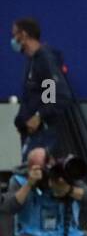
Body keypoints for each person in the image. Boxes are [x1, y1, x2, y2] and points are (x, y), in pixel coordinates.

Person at [2, 146, 87, 236]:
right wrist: (29, 184)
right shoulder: (20, 179)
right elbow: (8, 207)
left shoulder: (65, 173)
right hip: (35, 235)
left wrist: (68, 190)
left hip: (66, 235)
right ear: (30, 166)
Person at [10, 18, 66, 158]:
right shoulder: (33, 61)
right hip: (31, 134)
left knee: (34, 175)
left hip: (42, 136)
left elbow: (55, 97)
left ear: (23, 35)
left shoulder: (44, 60)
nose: (13, 40)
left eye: (14, 35)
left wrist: (38, 117)